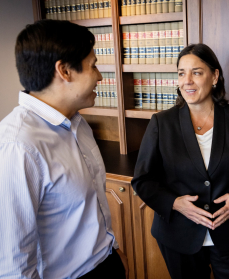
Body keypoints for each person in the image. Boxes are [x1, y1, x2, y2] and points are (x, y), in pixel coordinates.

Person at [0, 20, 128, 279]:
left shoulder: (77, 123)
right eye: (93, 65)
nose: (100, 76)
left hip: (105, 263)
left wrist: (112, 250)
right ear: (65, 71)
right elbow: (14, 264)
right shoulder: (18, 146)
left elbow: (90, 206)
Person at [131, 43, 229, 279]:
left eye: (196, 72)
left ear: (214, 76)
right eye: (181, 73)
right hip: (178, 237)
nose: (187, 81)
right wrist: (174, 203)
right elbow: (143, 180)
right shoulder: (161, 123)